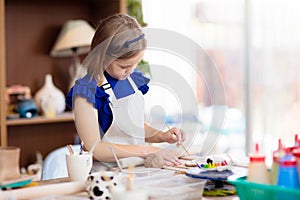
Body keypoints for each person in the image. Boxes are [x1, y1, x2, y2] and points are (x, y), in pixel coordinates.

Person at [66, 13, 185, 167]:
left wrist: (162, 136)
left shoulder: (131, 81)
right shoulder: (86, 92)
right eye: (124, 66)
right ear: (103, 57)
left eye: (135, 64)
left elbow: (133, 129)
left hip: (137, 170)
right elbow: (96, 149)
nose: (130, 71)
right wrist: (148, 151)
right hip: (107, 176)